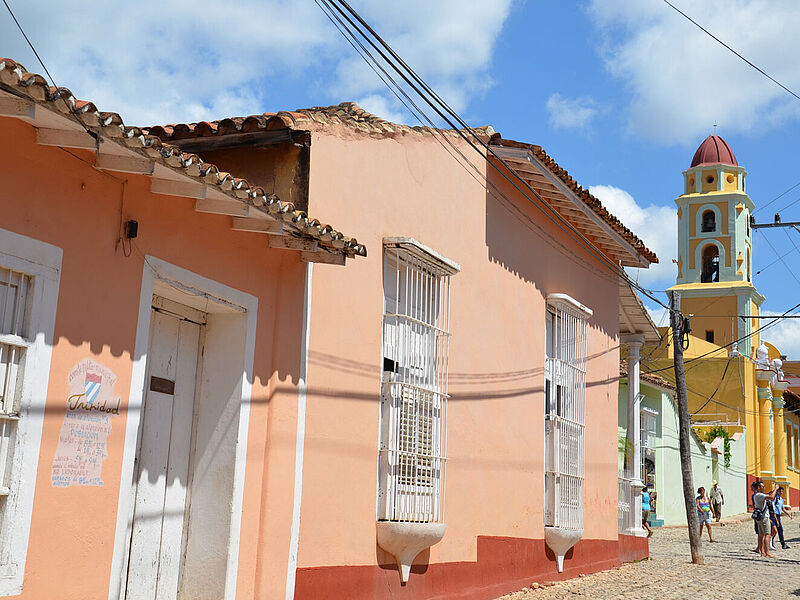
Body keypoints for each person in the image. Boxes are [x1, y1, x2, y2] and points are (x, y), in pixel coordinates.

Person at [752, 481, 780, 557]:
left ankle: (762, 552)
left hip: (760, 518)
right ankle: (767, 552)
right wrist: (775, 489)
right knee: (767, 534)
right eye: (762, 487)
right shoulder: (759, 495)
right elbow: (771, 497)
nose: (764, 488)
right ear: (758, 487)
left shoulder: (756, 495)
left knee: (761, 535)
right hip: (764, 517)